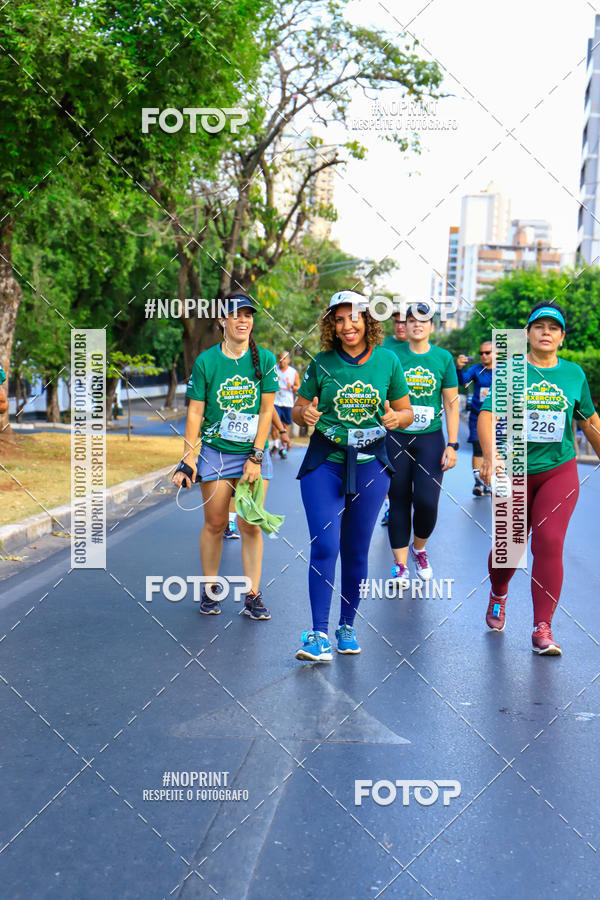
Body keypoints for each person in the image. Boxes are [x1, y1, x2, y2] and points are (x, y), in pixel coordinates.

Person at [292, 290, 413, 661]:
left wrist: (396, 418)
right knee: (325, 545)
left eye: (354, 317)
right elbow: (298, 408)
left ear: (368, 320)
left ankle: (346, 627)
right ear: (331, 324)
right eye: (339, 319)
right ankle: (317, 634)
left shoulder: (388, 361)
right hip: (324, 462)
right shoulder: (322, 362)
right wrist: (304, 416)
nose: (347, 325)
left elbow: (406, 412)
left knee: (355, 551)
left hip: (370, 464)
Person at [479, 301, 600, 656]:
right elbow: (487, 416)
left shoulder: (574, 374)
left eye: (553, 328)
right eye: (539, 327)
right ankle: (498, 593)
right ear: (528, 334)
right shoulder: (511, 371)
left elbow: (588, 422)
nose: (546, 333)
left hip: (559, 470)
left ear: (562, 337)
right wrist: (491, 455)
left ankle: (541, 626)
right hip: (514, 469)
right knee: (510, 550)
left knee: (548, 541)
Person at [173, 295, 278, 620]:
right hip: (217, 454)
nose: (243, 320)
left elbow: (266, 411)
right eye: (236, 315)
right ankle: (210, 590)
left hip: (253, 454)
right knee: (216, 523)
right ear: (222, 321)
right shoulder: (206, 362)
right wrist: (188, 458)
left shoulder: (266, 359)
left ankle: (253, 595)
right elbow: (195, 411)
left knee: (250, 525)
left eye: (248, 315)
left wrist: (256, 457)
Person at [384, 303, 459, 586]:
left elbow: (451, 403)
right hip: (397, 436)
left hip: (430, 437)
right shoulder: (392, 355)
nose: (417, 325)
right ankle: (400, 565)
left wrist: (452, 444)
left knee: (427, 501)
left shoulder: (442, 358)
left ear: (431, 327)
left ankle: (420, 548)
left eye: (423, 321)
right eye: (412, 320)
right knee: (399, 498)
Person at [224, 407, 290, 540]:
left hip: (253, 445)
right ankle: (229, 522)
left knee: (241, 488)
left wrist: (282, 431)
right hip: (227, 444)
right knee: (230, 489)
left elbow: (269, 408)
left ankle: (232, 522)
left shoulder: (262, 388)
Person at [381, 308, 408, 524]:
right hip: (388, 419)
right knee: (390, 468)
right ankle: (390, 507)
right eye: (396, 322)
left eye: (404, 321)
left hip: (416, 420)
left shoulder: (419, 346)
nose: (400, 326)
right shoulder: (384, 347)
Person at [456, 341, 494, 496]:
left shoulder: (505, 371)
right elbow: (462, 381)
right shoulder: (476, 370)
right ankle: (478, 482)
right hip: (477, 416)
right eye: (481, 353)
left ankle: (491, 482)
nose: (483, 356)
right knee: (478, 449)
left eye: (487, 352)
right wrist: (459, 367)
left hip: (499, 419)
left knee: (494, 451)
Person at [271, 351, 300, 459]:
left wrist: (291, 386)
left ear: (288, 360)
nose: (281, 361)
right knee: (275, 425)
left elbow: (298, 387)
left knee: (284, 426)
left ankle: (283, 449)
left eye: (284, 359)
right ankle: (275, 445)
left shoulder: (293, 372)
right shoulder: (274, 370)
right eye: (280, 358)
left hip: (287, 402)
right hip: (275, 401)